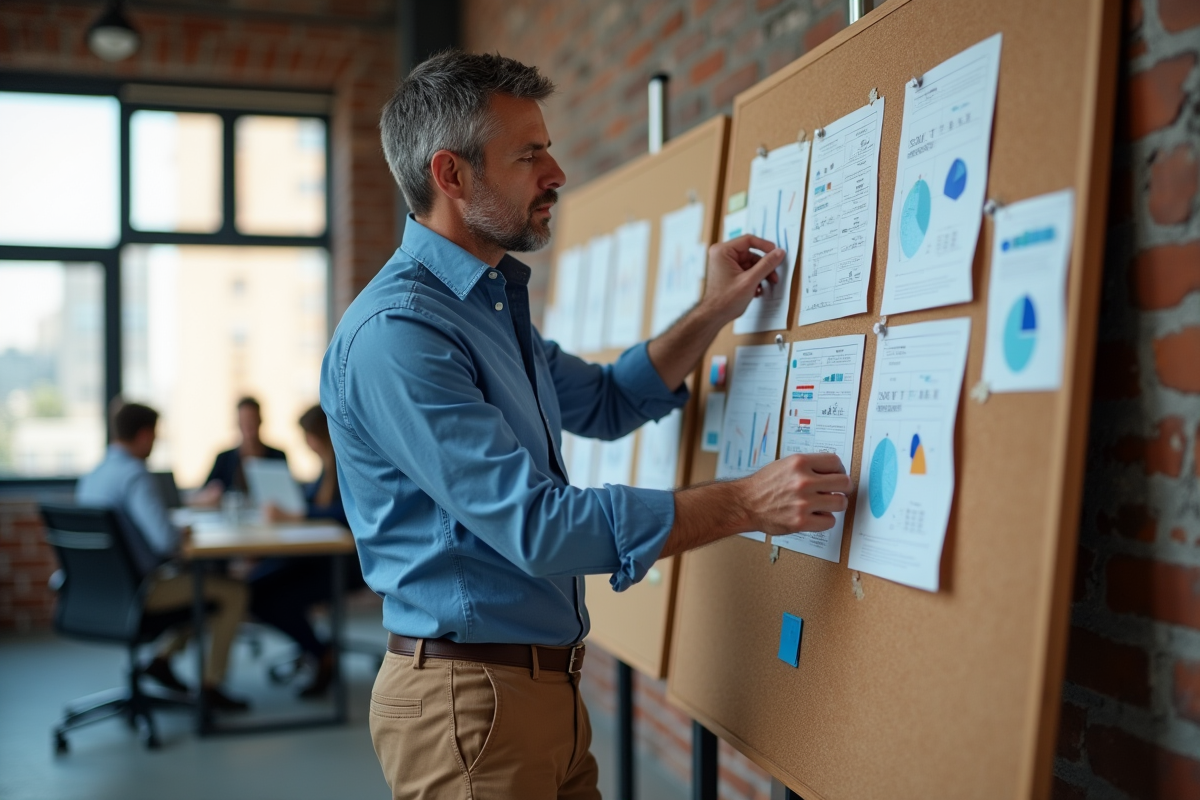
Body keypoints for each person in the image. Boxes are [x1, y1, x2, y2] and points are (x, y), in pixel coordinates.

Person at [321, 51, 851, 800]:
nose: (557, 172)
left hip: (538, 695)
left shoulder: (486, 306)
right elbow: (537, 528)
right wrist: (744, 503)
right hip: (470, 707)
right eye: (529, 155)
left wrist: (713, 312)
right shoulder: (400, 334)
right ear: (452, 175)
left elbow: (606, 401)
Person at [76, 402, 251, 711]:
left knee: (200, 591)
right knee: (232, 592)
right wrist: (178, 533)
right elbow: (164, 541)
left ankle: (161, 660)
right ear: (144, 436)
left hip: (99, 594)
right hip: (140, 592)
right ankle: (210, 687)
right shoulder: (134, 475)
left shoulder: (94, 475)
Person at [247, 405, 365, 698]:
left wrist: (297, 515)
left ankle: (321, 652)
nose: (306, 443)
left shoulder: (349, 468)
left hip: (342, 565)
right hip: (313, 559)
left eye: (308, 436)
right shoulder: (324, 470)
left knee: (264, 597)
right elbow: (311, 506)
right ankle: (316, 650)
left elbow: (345, 515)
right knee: (253, 586)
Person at [191, 396, 287, 506]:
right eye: (244, 422)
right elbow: (204, 493)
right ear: (238, 423)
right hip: (233, 518)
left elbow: (288, 496)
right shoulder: (224, 459)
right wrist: (211, 496)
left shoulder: (277, 457)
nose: (249, 427)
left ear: (260, 421)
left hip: (270, 519)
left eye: (252, 421)